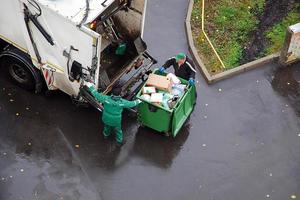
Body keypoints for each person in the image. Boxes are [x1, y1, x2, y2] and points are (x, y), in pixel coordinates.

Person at [85, 82, 141, 146]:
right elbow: (132, 104)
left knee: (106, 127)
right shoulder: (122, 102)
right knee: (118, 131)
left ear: (112, 92)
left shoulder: (105, 98)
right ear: (120, 94)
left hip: (106, 118)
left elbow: (96, 94)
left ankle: (105, 135)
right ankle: (119, 142)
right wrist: (139, 100)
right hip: (116, 121)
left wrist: (90, 86)